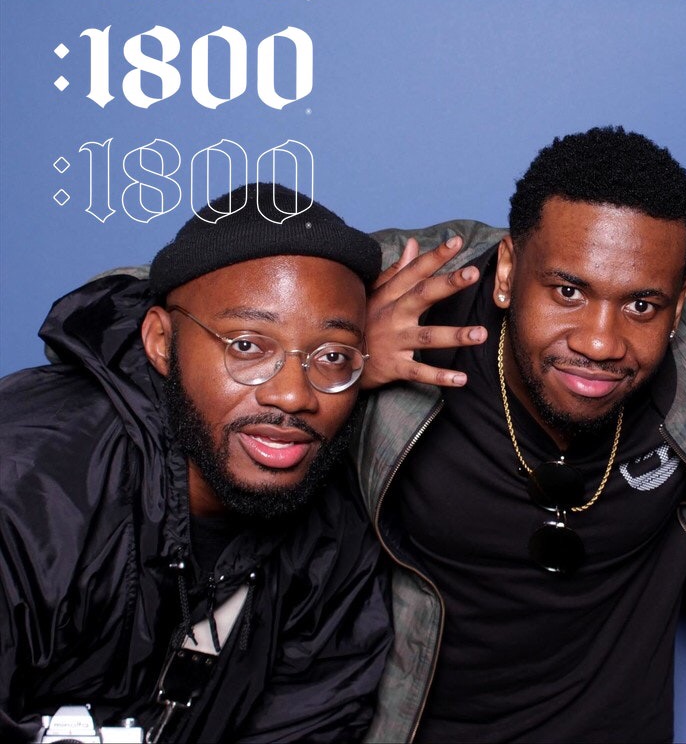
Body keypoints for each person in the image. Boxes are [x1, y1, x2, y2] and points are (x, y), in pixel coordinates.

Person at [357, 126, 686, 742]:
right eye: (568, 292)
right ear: (507, 271)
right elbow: (247, 294)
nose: (600, 343)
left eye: (641, 306)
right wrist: (331, 353)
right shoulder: (405, 299)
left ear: (680, 303)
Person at [0, 184, 393, 743]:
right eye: (247, 346)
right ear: (162, 341)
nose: (292, 395)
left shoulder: (335, 537)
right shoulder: (27, 482)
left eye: (331, 356)